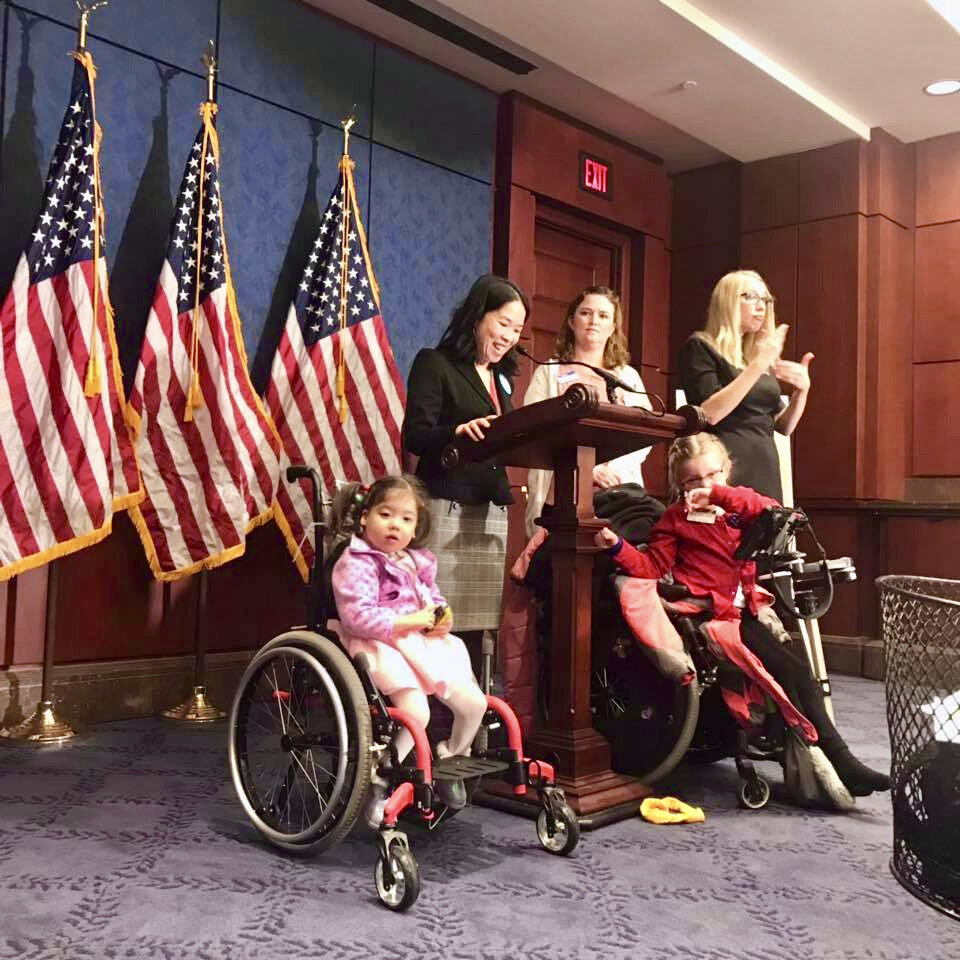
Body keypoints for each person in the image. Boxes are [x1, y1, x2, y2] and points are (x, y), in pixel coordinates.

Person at [595, 433, 890, 800]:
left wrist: (719, 496)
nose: (704, 485)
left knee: (796, 671)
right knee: (791, 672)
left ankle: (837, 760)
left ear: (726, 471)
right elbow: (652, 566)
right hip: (712, 615)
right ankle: (842, 760)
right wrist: (618, 547)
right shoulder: (674, 520)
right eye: (692, 480)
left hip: (745, 608)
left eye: (713, 475)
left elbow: (771, 510)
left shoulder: (737, 508)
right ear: (678, 484)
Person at [329, 474, 488, 826]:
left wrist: (441, 618)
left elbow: (435, 600)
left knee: (475, 704)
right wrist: (409, 621)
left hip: (422, 642)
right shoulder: (356, 562)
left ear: (415, 529)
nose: (394, 525)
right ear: (365, 517)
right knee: (417, 711)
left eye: (405, 519)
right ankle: (383, 775)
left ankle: (450, 758)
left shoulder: (413, 562)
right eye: (386, 515)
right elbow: (357, 616)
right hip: (380, 641)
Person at [402, 274, 529, 635]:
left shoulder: (503, 377)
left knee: (480, 624)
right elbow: (416, 435)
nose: (509, 336)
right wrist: (456, 433)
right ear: (477, 317)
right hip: (447, 504)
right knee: (437, 619)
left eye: (517, 329)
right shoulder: (435, 363)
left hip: (490, 510)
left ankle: (474, 688)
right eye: (503, 323)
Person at [522, 285, 652, 537]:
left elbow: (644, 435)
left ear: (613, 327)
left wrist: (611, 468)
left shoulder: (628, 377)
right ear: (572, 321)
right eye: (586, 313)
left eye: (603, 316)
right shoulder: (547, 372)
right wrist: (586, 468)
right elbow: (534, 432)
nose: (594, 321)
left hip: (616, 494)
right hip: (559, 496)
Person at [677, 269, 813, 501]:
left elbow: (783, 427)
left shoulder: (753, 359)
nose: (761, 306)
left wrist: (802, 390)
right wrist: (759, 365)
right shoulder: (701, 347)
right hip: (728, 468)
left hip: (765, 468)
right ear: (727, 300)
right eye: (751, 297)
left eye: (765, 300)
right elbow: (710, 414)